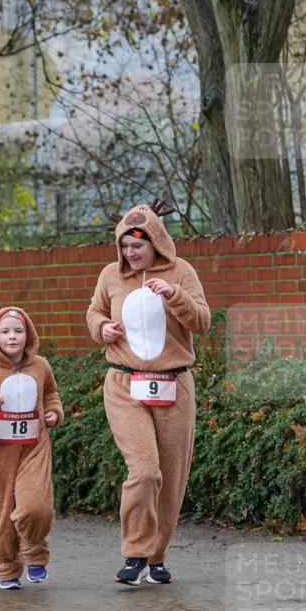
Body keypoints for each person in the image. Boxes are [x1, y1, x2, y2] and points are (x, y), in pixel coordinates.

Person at [86, 199, 211, 585]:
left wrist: (173, 294)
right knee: (144, 470)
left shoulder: (181, 271)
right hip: (125, 384)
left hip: (174, 384)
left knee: (170, 478)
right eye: (124, 246)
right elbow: (94, 311)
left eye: (137, 246)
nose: (130, 253)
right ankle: (135, 553)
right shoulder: (111, 275)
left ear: (155, 242)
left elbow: (203, 322)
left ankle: (156, 558)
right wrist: (102, 328)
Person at [0, 306, 64, 589]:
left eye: (18, 331)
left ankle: (34, 552)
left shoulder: (41, 366)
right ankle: (6, 567)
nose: (12, 337)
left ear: (28, 334)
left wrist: (54, 412)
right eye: (5, 332)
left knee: (37, 506)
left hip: (34, 448)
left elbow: (50, 394)